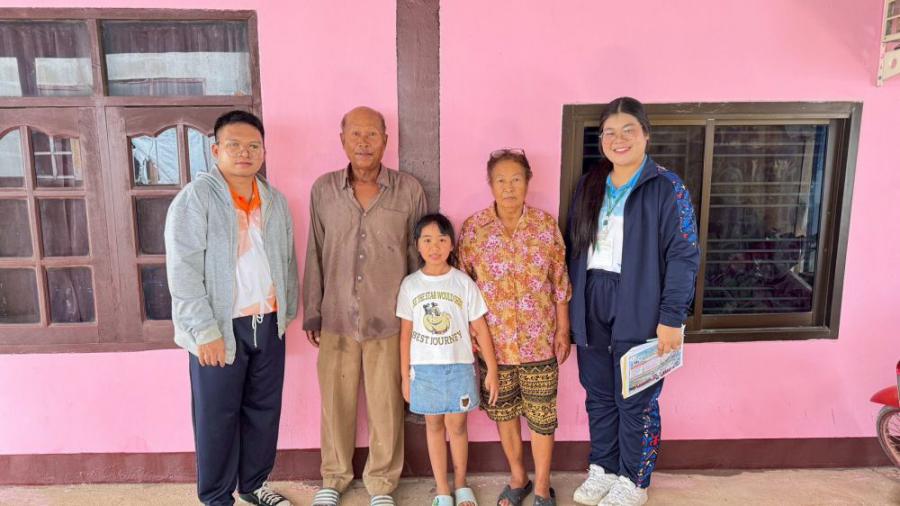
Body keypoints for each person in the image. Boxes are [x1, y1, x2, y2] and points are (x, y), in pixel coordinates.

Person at [566, 97, 700, 506]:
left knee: (636, 396)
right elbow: (575, 248)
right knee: (598, 393)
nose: (618, 139)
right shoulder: (590, 184)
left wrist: (672, 317)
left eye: (628, 130)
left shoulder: (666, 187)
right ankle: (604, 468)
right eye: (609, 132)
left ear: (646, 135)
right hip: (591, 296)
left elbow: (683, 255)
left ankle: (634, 480)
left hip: (639, 299)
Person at [165, 110, 299, 506]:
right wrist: (203, 331)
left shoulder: (274, 200)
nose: (245, 153)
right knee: (217, 416)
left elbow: (287, 260)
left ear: (263, 151)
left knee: (263, 409)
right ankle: (217, 496)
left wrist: (285, 314)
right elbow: (183, 270)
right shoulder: (196, 199)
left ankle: (254, 484)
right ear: (216, 150)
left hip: (268, 321)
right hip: (220, 327)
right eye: (234, 145)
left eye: (253, 146)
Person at [303, 106, 427, 506]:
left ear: (386, 140)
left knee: (387, 405)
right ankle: (334, 476)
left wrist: (418, 318)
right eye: (355, 134)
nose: (363, 142)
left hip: (389, 320)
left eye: (372, 134)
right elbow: (315, 251)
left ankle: (382, 483)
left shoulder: (409, 190)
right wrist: (313, 310)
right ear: (342, 140)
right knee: (335, 402)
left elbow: (418, 257)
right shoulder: (323, 190)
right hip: (336, 316)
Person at [457, 150, 572, 506]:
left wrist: (563, 329)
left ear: (527, 182)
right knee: (504, 413)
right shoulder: (474, 229)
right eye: (501, 180)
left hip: (540, 341)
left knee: (542, 416)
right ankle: (519, 477)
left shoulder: (544, 225)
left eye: (516, 179)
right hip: (495, 346)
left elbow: (559, 281)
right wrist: (471, 336)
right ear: (490, 184)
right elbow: (464, 287)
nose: (509, 188)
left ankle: (542, 487)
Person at [396, 213, 500, 506]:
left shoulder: (462, 283)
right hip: (424, 371)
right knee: (433, 426)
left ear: (452, 244)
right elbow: (405, 335)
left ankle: (461, 483)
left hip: (459, 368)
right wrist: (405, 376)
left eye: (442, 240)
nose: (435, 247)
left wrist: (492, 369)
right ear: (417, 245)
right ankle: (442, 489)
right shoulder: (411, 285)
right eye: (427, 240)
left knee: (458, 427)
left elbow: (480, 328)